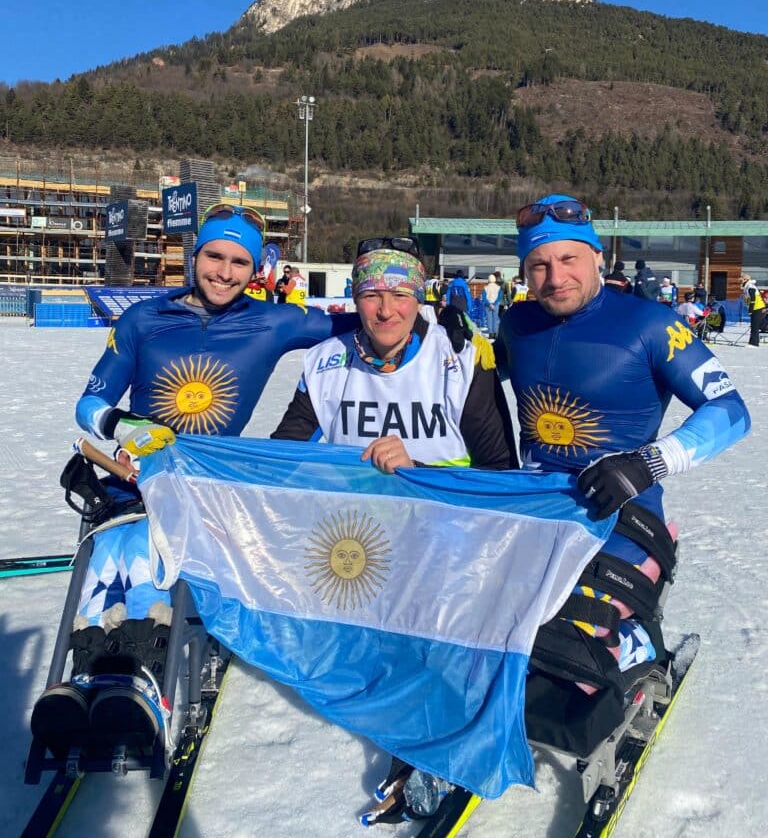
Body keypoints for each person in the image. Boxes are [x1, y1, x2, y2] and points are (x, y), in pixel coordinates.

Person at [30, 204, 360, 755]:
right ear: (194, 254)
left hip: (202, 487)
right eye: (214, 256)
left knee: (148, 553)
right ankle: (87, 672)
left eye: (238, 261)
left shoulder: (275, 321)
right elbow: (90, 403)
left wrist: (435, 320)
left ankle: (138, 679)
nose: (224, 272)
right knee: (114, 546)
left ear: (254, 268)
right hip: (130, 478)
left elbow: (368, 322)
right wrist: (122, 425)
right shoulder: (143, 320)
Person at [272, 236, 518, 823]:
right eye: (372, 293)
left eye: (400, 293)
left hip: (446, 535)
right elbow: (279, 458)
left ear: (420, 295)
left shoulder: (459, 356)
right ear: (355, 297)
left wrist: (421, 469)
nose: (386, 309)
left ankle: (437, 744)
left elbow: (499, 473)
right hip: (358, 546)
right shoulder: (326, 365)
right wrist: (180, 461)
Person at [496, 193, 750, 720]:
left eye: (569, 259)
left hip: (621, 517)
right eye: (539, 264)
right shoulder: (517, 325)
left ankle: (640, 646)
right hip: (534, 512)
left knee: (578, 642)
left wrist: (647, 464)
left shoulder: (650, 324)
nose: (554, 276)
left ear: (596, 259)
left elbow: (731, 410)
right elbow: (469, 382)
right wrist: (443, 343)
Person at [741, 274, 766, 348]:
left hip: (757, 308)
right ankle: (752, 341)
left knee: (755, 326)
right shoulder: (747, 286)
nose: (741, 281)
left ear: (746, 280)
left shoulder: (750, 286)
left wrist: (750, 310)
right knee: (753, 325)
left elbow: (753, 299)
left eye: (742, 280)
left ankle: (754, 343)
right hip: (755, 308)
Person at [481, 273, 502, 338]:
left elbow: (484, 298)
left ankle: (490, 334)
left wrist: (489, 304)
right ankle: (495, 333)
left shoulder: (485, 288)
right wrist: (494, 304)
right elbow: (499, 297)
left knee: (489, 319)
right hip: (496, 305)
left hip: (488, 305)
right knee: (495, 319)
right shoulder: (499, 288)